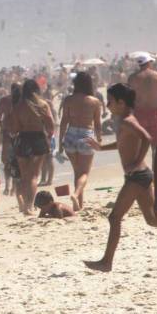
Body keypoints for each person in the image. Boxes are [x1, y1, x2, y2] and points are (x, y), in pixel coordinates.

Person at [84, 83, 157, 271]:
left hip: (138, 176)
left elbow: (147, 138)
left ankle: (106, 262)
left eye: (110, 101)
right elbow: (122, 143)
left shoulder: (129, 121)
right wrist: (101, 148)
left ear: (121, 103)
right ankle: (106, 262)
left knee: (114, 218)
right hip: (139, 176)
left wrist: (137, 161)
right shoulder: (124, 121)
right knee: (152, 220)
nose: (107, 105)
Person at [6, 79, 54, 214]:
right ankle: (29, 205)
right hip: (38, 139)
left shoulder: (18, 106)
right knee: (34, 176)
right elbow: (50, 125)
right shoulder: (42, 104)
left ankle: (23, 203)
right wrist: (49, 137)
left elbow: (14, 129)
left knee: (24, 176)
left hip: (23, 140)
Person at [58, 72, 103, 211]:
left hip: (70, 135)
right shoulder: (94, 101)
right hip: (85, 135)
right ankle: (76, 195)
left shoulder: (68, 100)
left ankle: (78, 205)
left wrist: (60, 142)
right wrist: (99, 140)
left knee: (77, 172)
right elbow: (97, 124)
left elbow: (63, 121)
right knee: (84, 173)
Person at [129, 53, 157, 156]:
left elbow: (129, 99)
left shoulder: (132, 78)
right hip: (155, 114)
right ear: (149, 63)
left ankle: (138, 170)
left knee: (138, 147)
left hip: (138, 114)